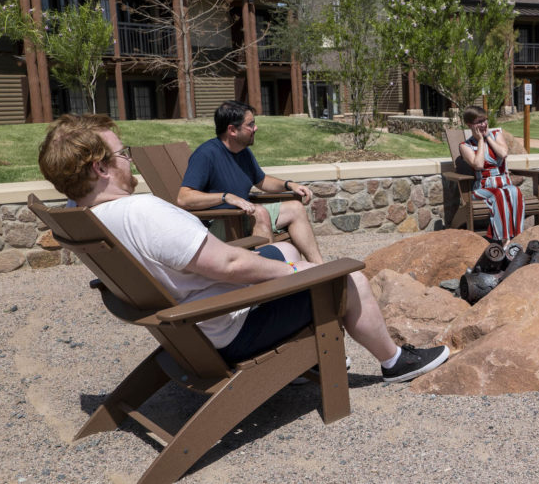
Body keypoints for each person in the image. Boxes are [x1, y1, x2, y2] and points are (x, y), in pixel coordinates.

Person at [38, 113, 449, 382]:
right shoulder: (140, 212)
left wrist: (289, 262)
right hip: (227, 326)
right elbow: (231, 263)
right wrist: (301, 275)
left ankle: (312, 356)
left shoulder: (85, 217)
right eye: (121, 154)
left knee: (288, 251)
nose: (128, 160)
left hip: (192, 322)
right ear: (100, 167)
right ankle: (394, 361)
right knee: (347, 278)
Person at [178, 101, 323, 263]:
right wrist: (226, 197)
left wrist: (290, 185)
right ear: (232, 130)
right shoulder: (206, 155)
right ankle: (275, 274)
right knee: (259, 213)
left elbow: (261, 181)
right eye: (250, 124)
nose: (256, 128)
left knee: (295, 208)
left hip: (242, 217)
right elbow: (184, 198)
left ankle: (320, 268)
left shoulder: (242, 152)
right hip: (220, 224)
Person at [458, 106, 524, 244]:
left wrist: (488, 137)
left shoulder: (496, 135)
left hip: (504, 184)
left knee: (514, 191)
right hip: (481, 189)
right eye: (479, 122)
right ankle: (503, 240)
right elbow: (478, 165)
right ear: (470, 125)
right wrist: (481, 141)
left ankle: (518, 237)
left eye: (484, 120)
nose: (483, 124)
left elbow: (503, 154)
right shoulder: (465, 146)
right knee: (499, 194)